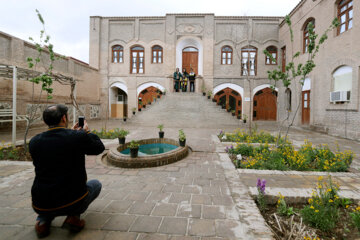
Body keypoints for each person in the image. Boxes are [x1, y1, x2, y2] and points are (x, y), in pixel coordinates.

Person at [29, 104, 105, 238]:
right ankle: (73, 217)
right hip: (73, 200)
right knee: (96, 184)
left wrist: (71, 133)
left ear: (45, 121)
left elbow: (58, 143)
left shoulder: (35, 141)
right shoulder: (77, 137)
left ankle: (43, 221)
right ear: (64, 118)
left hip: (41, 203)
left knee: (48, 191)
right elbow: (99, 148)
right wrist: (86, 133)